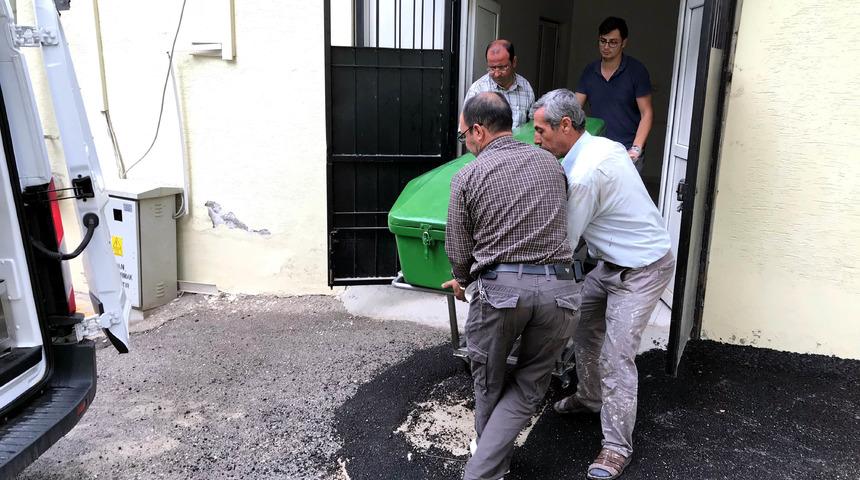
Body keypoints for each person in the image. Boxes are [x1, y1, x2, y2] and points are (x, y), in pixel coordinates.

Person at [530, 89, 674, 480]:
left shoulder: (584, 176)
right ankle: (590, 397)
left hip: (643, 269)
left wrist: (521, 274)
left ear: (565, 125)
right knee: (583, 325)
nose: (536, 139)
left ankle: (616, 448)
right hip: (609, 264)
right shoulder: (604, 145)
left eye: (541, 131)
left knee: (616, 356)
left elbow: (562, 246)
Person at [442, 92, 579, 480]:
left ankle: (483, 470)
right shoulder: (551, 163)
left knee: (488, 380)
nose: (465, 143)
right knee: (530, 383)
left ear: (479, 131)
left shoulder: (467, 176)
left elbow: (459, 248)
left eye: (464, 135)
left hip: (501, 292)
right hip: (560, 291)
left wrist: (463, 280)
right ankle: (492, 462)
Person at [575, 17, 653, 172]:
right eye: (603, 41)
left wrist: (636, 149)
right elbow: (574, 108)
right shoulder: (589, 71)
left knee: (625, 189)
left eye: (613, 42)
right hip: (596, 150)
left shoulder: (637, 71)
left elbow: (647, 113)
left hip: (626, 151)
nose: (606, 47)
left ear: (624, 43)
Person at [464, 40, 535, 129]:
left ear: (514, 62)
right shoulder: (478, 90)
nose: (497, 74)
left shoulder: (525, 87)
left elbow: (532, 126)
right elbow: (465, 130)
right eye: (492, 68)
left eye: (502, 67)